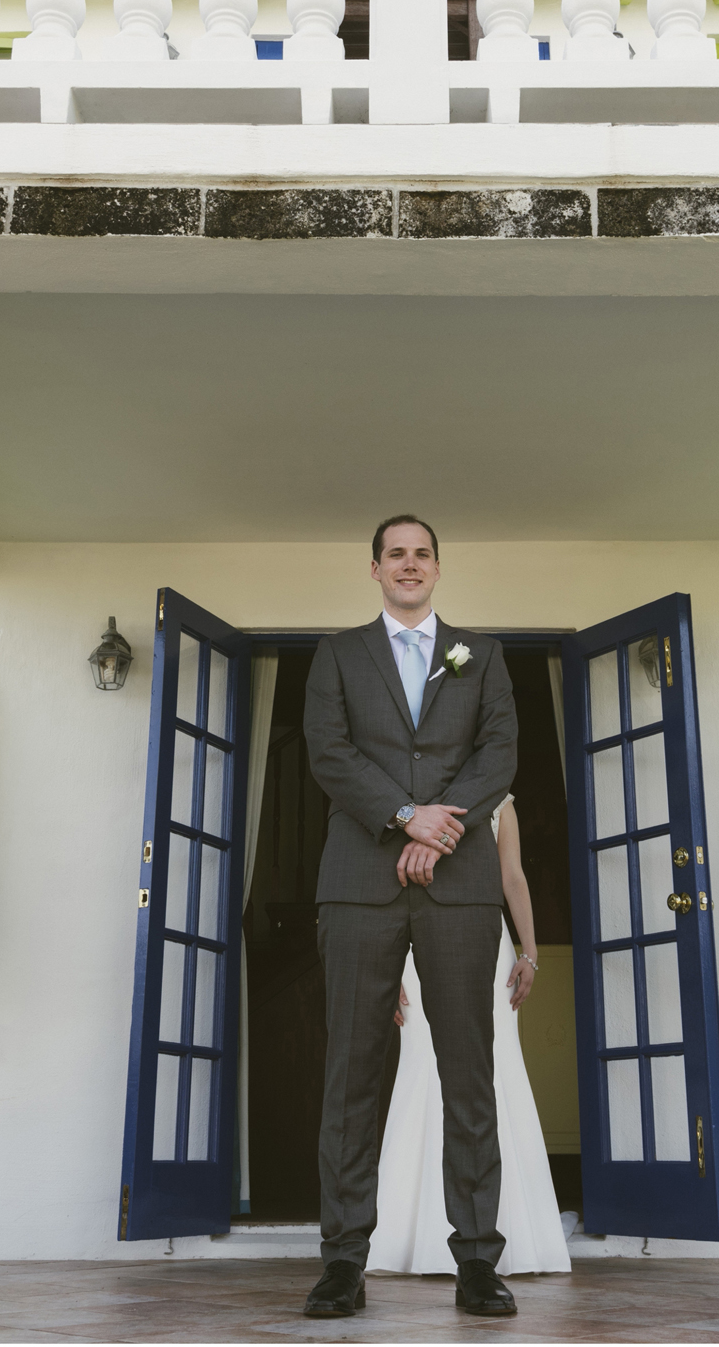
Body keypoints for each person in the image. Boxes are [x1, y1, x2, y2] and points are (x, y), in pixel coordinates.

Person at [299, 515, 520, 1320]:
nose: (410, 564)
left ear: (437, 567)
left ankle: (476, 1263)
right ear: (374, 569)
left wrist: (441, 823)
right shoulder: (337, 654)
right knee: (353, 1073)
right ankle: (342, 1262)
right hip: (359, 883)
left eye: (422, 553)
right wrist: (401, 814)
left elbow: (499, 751)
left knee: (469, 1071)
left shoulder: (484, 655)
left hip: (459, 884)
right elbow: (327, 750)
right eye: (396, 553)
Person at [368, 793, 571, 1278]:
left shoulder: (498, 800)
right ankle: (409, 1233)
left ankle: (504, 1233)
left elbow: (512, 876)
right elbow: (386, 877)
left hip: (488, 943)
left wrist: (531, 952)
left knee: (493, 1071)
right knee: (422, 1070)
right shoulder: (403, 792)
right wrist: (386, 961)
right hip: (413, 942)